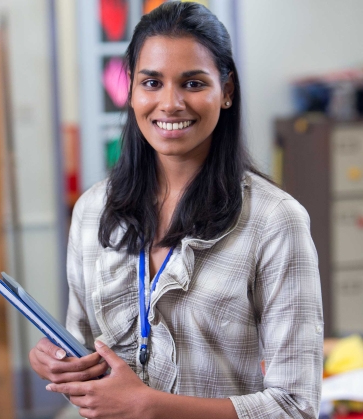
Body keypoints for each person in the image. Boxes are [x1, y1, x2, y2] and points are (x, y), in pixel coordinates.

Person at [29, 2, 324, 418]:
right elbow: (83, 351)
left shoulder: (276, 221)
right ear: (130, 89)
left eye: (193, 83)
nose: (170, 103)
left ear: (227, 92)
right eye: (152, 82)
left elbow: (295, 406)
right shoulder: (93, 209)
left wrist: (150, 406)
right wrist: (56, 360)